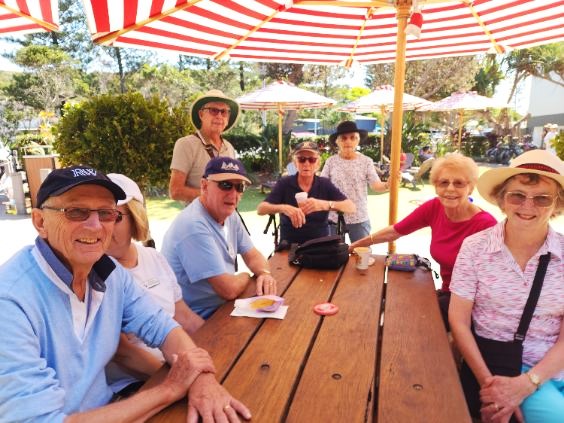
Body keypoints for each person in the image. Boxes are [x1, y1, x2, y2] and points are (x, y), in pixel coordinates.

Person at [0, 165, 251, 421]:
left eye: (107, 213)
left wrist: (202, 381)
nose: (95, 226)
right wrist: (169, 389)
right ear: (40, 222)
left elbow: (164, 328)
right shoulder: (10, 301)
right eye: (76, 212)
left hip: (113, 407)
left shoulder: (110, 273)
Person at [449, 149, 564, 423]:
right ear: (502, 199)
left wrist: (527, 385)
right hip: (504, 366)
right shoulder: (475, 248)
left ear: (557, 204)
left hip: (551, 368)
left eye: (542, 198)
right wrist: (492, 389)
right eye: (517, 195)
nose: (528, 206)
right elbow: (459, 320)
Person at [350, 153, 497, 328]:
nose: (450, 189)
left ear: (471, 187)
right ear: (435, 186)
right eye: (444, 182)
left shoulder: (485, 226)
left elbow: (493, 284)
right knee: (387, 303)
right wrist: (355, 245)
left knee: (402, 321)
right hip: (447, 293)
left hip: (473, 306)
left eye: (459, 183)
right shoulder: (435, 207)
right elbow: (396, 231)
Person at [105, 173, 205, 396]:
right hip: (134, 385)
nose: (104, 227)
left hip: (175, 367)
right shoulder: (96, 272)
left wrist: (219, 345)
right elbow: (123, 353)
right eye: (100, 216)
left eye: (114, 216)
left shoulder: (153, 257)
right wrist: (181, 378)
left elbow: (183, 316)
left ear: (135, 217)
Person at [162, 157, 278, 319]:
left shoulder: (230, 214)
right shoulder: (194, 225)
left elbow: (252, 254)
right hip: (198, 319)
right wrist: (246, 276)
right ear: (204, 186)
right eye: (225, 185)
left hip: (223, 307)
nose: (233, 194)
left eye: (239, 187)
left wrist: (264, 273)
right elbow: (228, 289)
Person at [256, 141, 356, 245]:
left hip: (320, 245)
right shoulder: (285, 183)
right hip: (290, 245)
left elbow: (351, 207)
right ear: (295, 163)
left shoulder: (324, 184)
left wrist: (324, 205)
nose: (306, 164)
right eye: (301, 159)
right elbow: (261, 209)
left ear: (318, 164)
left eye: (312, 160)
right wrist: (284, 208)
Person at [320, 121, 389, 243]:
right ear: (337, 141)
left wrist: (388, 185)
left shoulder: (366, 161)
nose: (348, 141)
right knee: (333, 253)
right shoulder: (331, 162)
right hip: (334, 218)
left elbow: (375, 185)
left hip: (359, 217)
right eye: (344, 138)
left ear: (358, 140)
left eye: (353, 138)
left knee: (361, 252)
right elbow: (322, 186)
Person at [169, 89, 239, 204]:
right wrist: (214, 196)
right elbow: (175, 191)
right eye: (213, 110)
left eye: (224, 112)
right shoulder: (186, 144)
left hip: (228, 214)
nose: (219, 116)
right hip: (198, 214)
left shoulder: (229, 147)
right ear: (201, 114)